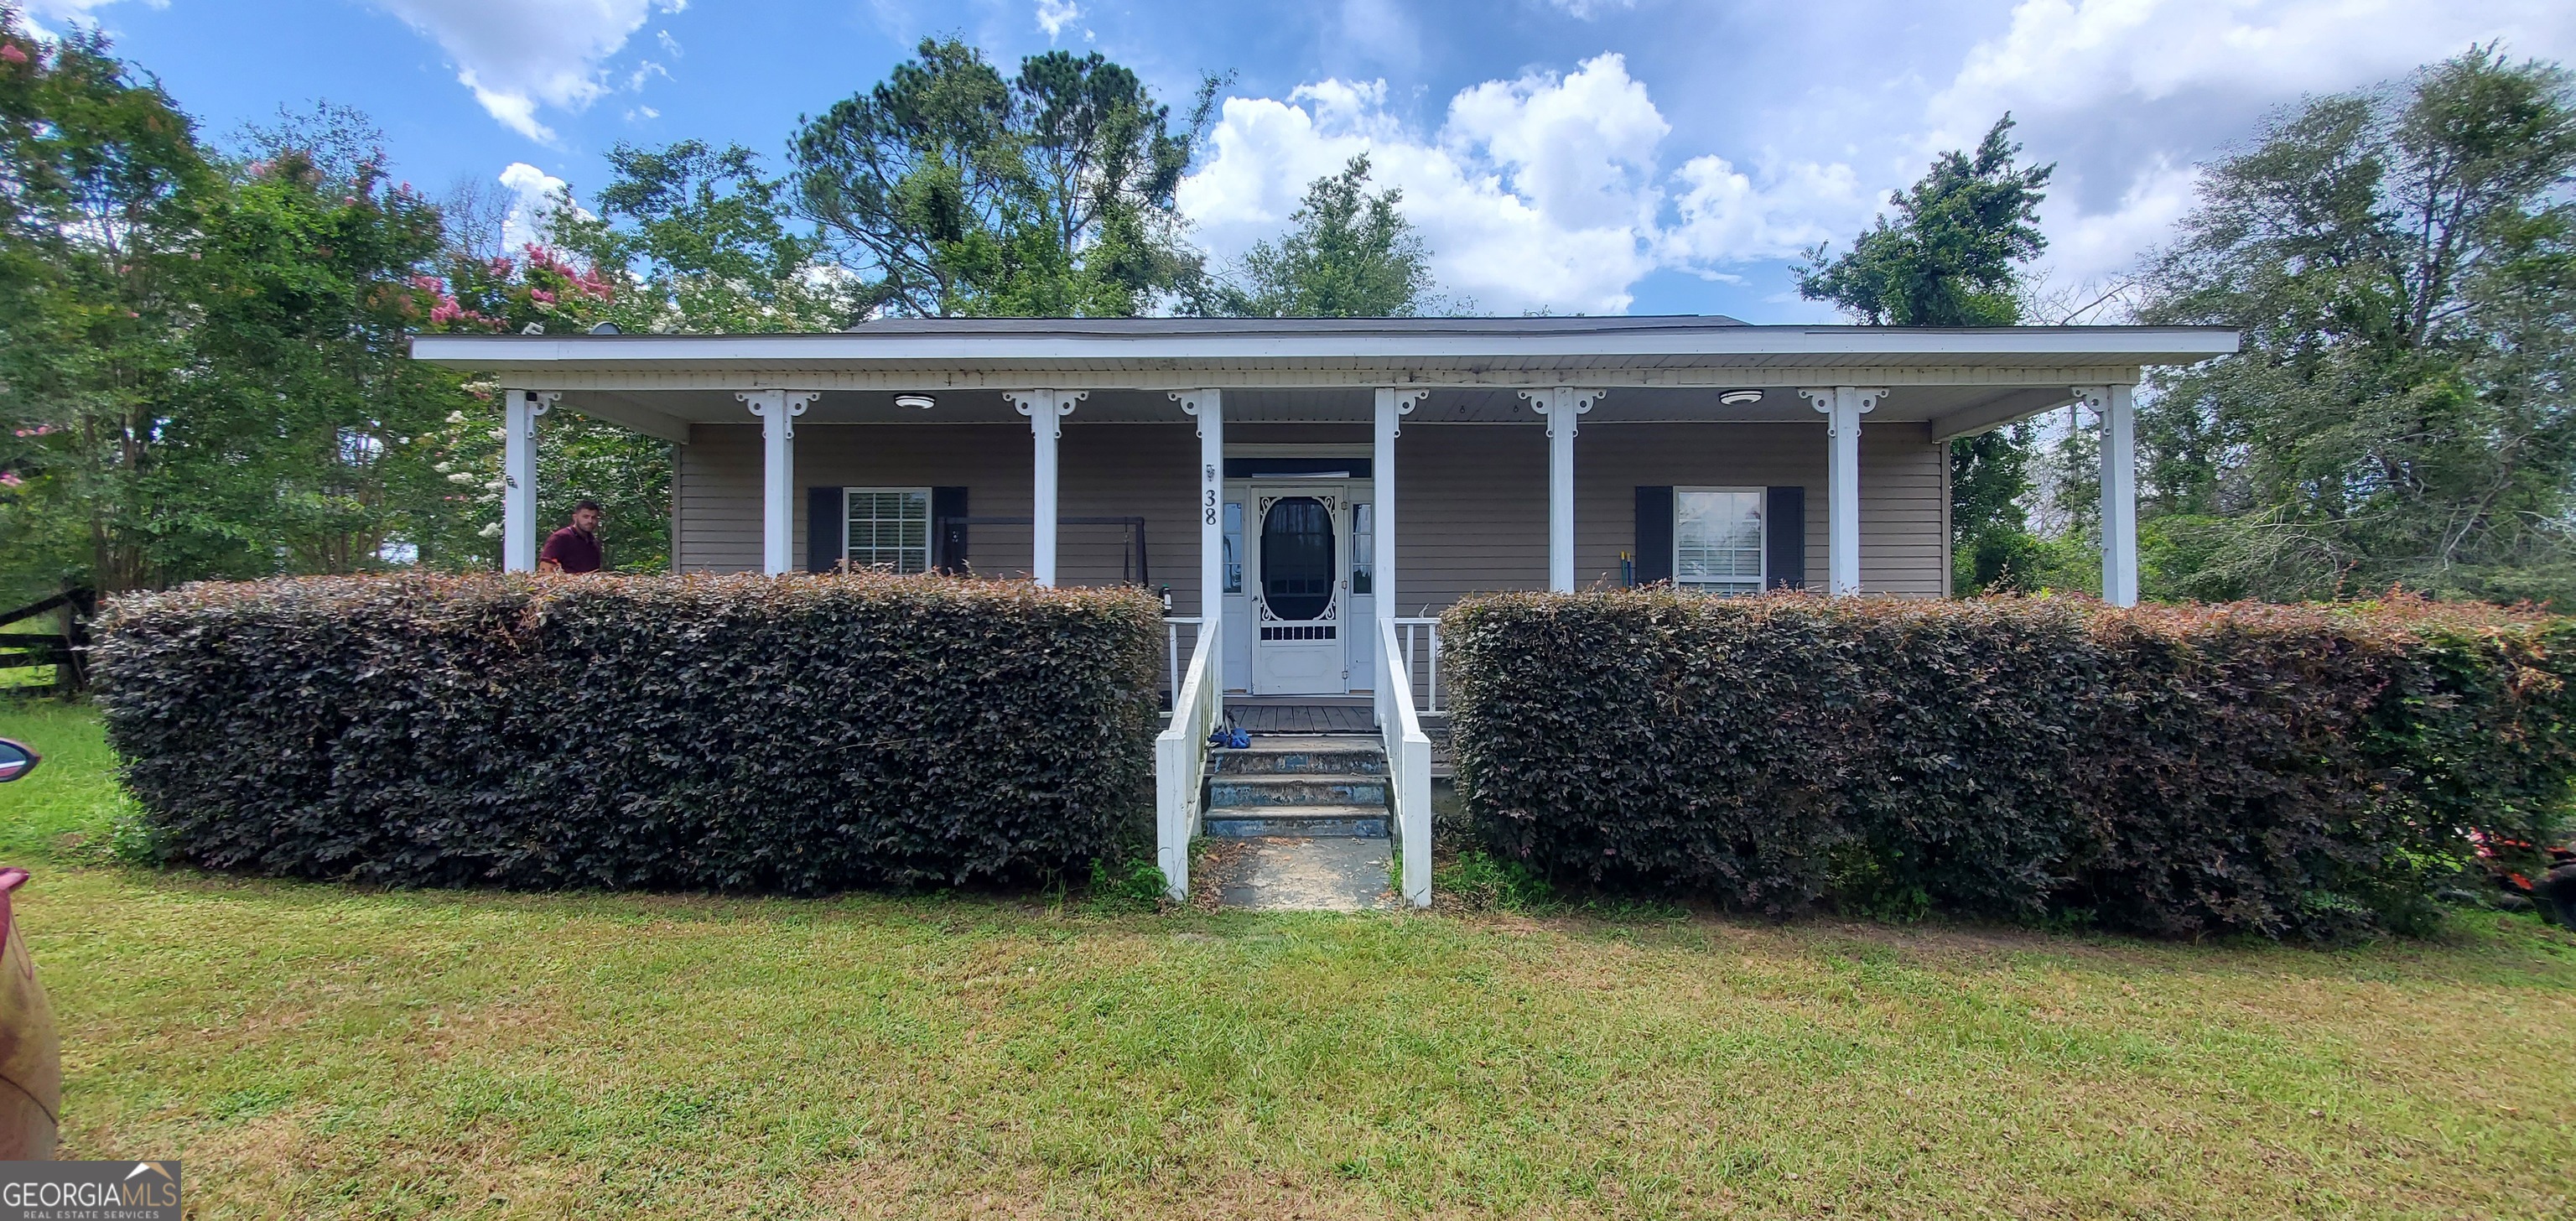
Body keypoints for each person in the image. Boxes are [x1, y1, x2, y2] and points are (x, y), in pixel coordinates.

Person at [538, 501, 605, 574]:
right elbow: (546, 568)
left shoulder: (593, 543)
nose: (590, 521)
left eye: (594, 518)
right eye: (586, 517)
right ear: (575, 517)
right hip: (566, 585)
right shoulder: (561, 538)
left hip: (589, 584)